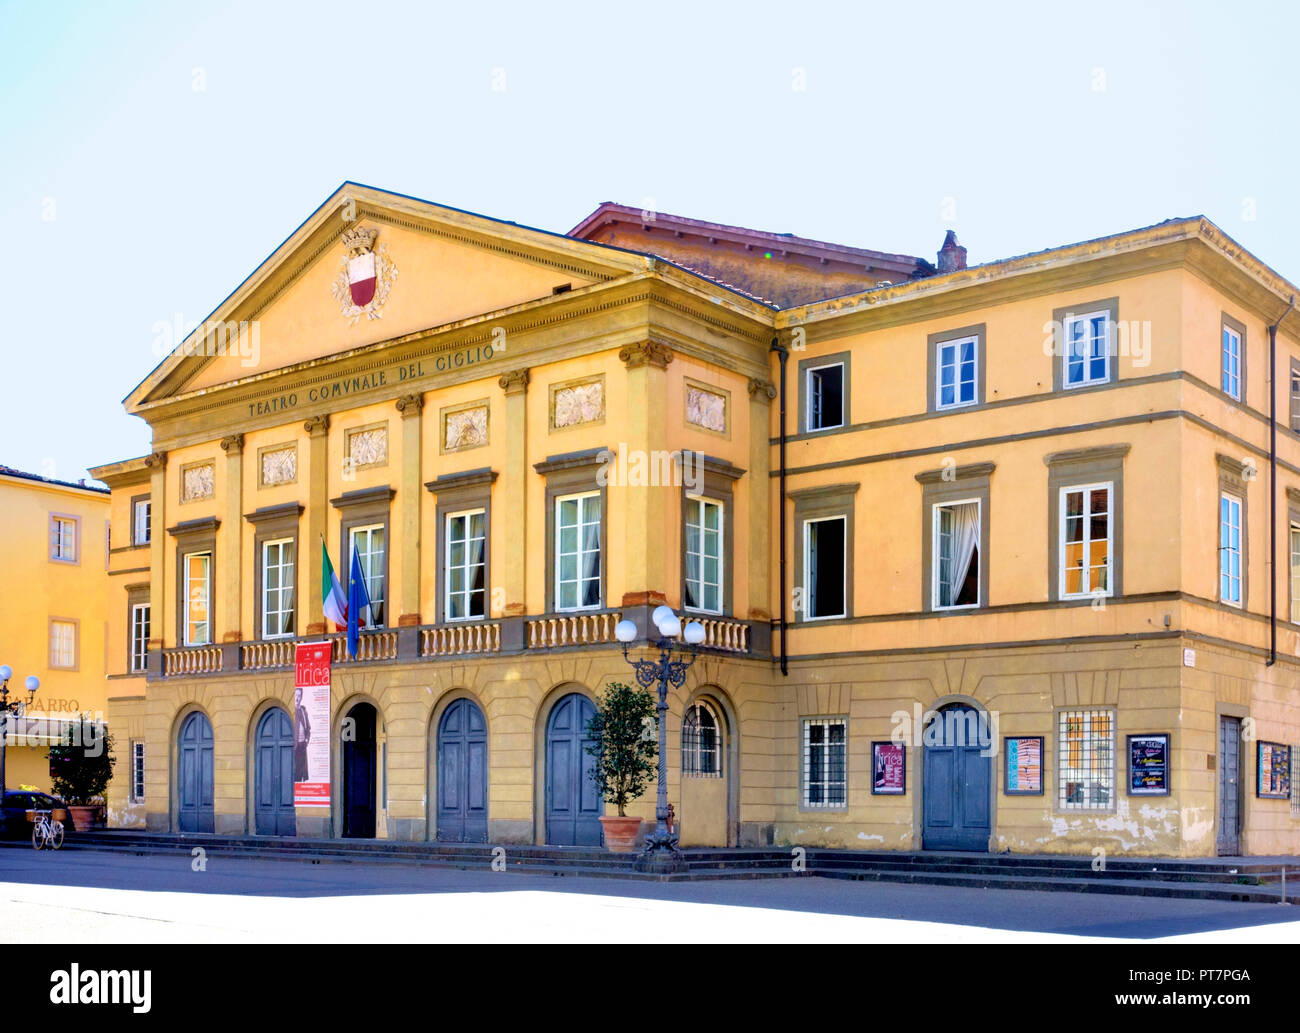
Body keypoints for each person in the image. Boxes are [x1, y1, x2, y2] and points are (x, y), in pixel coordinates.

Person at [294, 687, 310, 784]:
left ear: (301, 697)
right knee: (294, 772)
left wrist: (307, 739)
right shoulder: (291, 710)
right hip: (294, 746)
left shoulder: (304, 711)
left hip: (302, 745)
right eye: (295, 695)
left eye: (299, 696)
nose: (297, 698)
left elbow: (308, 728)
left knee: (301, 772)